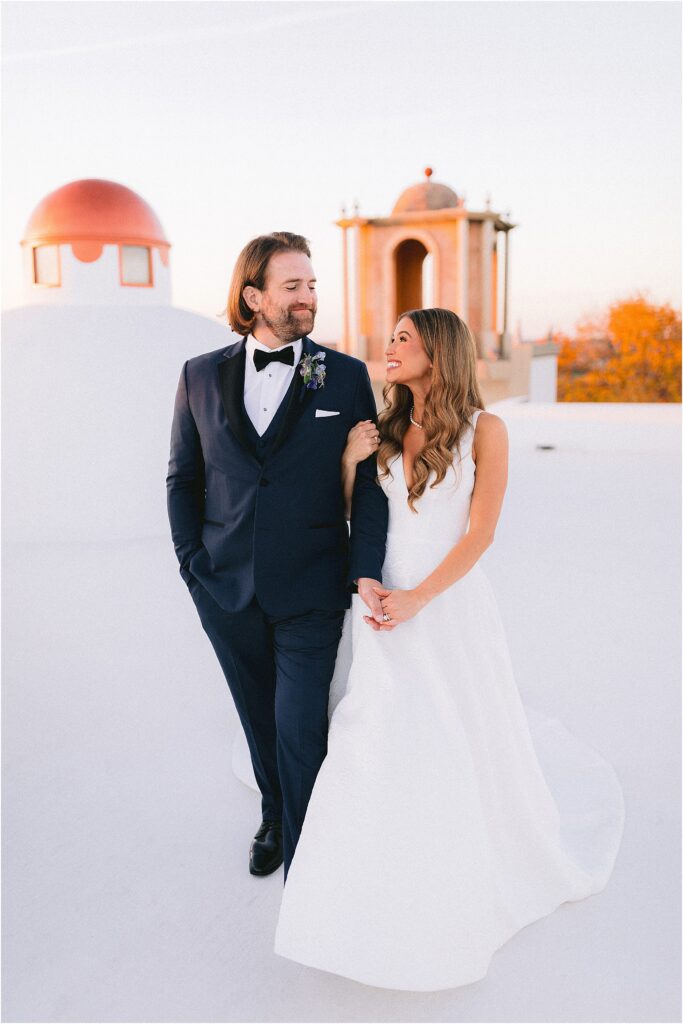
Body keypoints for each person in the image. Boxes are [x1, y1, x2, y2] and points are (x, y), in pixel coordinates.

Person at [274, 307, 625, 991]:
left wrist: (419, 598)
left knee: (454, 731)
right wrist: (366, 559)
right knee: (371, 732)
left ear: (438, 351)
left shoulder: (484, 431)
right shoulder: (380, 429)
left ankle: (456, 873)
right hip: (382, 603)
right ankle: (358, 887)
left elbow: (479, 534)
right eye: (393, 336)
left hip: (445, 603)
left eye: (404, 338)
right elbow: (363, 518)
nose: (390, 346)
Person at [166, 232, 388, 880]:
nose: (308, 297)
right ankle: (273, 814)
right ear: (253, 295)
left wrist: (363, 569)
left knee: (298, 725)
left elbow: (368, 485)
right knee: (258, 718)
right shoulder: (199, 375)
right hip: (224, 588)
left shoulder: (338, 374)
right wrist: (191, 566)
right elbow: (184, 478)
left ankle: (310, 865)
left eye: (312, 285)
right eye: (293, 286)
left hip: (313, 588)